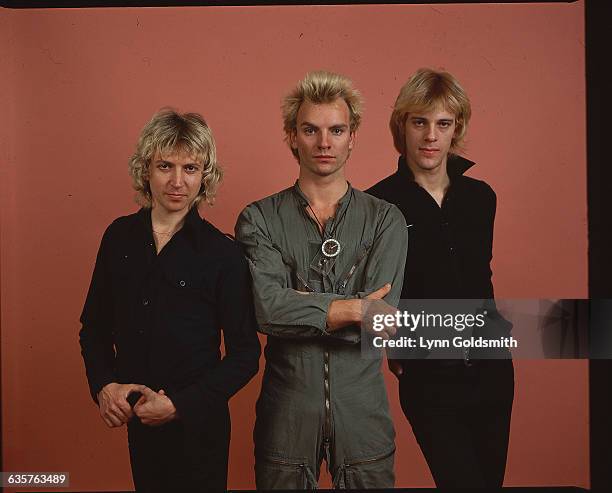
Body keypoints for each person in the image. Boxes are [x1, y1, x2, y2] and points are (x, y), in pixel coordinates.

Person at [234, 70, 408, 490]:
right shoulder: (258, 218)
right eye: (310, 130)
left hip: (363, 411)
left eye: (336, 130)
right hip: (287, 412)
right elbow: (267, 310)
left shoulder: (386, 219)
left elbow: (379, 324)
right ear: (292, 136)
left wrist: (304, 308)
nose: (324, 143)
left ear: (353, 136)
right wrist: (351, 307)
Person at [79, 109, 261, 492]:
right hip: (138, 423)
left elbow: (246, 356)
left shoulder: (222, 253)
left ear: (205, 176)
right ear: (146, 169)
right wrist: (104, 385)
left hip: (199, 427)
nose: (177, 182)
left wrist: (179, 404)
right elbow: (93, 327)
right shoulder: (119, 238)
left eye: (190, 168)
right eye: (165, 166)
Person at [367, 68, 514, 488]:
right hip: (428, 373)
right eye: (420, 122)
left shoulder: (481, 197)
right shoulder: (377, 203)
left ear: (456, 130)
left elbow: (478, 280)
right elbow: (375, 292)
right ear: (402, 127)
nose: (431, 135)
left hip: (492, 368)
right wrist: (394, 344)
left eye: (443, 124)